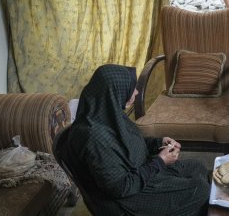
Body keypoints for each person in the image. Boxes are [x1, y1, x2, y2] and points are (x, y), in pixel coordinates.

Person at [64, 64, 210, 216]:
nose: (136, 92)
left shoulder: (108, 114)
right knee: (201, 190)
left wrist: (158, 142)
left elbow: (130, 143)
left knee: (197, 167)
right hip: (127, 198)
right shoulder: (92, 138)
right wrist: (159, 162)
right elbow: (121, 188)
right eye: (132, 88)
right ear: (114, 92)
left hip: (140, 172)